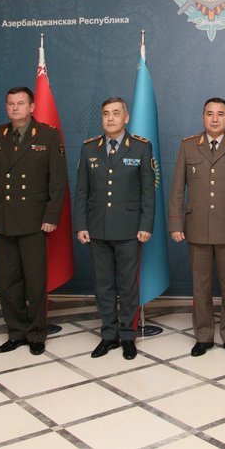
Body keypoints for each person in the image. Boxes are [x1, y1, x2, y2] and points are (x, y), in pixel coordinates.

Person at [168, 97, 225, 357]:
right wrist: (176, 223)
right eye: (210, 113)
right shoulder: (188, 146)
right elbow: (177, 189)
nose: (215, 119)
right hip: (197, 227)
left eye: (220, 114)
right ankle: (204, 336)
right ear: (203, 118)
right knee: (201, 287)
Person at [0, 87, 68, 356]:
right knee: (8, 282)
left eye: (21, 103)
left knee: (35, 280)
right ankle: (16, 331)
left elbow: (58, 180)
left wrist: (51, 216)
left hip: (34, 219)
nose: (15, 108)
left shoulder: (48, 135)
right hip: (4, 218)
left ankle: (36, 333)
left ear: (31, 107)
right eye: (11, 104)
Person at [75, 98, 155, 360]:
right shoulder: (89, 148)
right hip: (97, 228)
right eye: (106, 114)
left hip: (129, 229)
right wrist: (81, 225)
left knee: (127, 286)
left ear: (126, 118)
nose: (110, 118)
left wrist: (145, 225)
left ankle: (128, 336)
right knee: (104, 285)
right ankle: (109, 334)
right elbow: (82, 191)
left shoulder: (141, 147)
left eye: (116, 113)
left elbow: (148, 192)